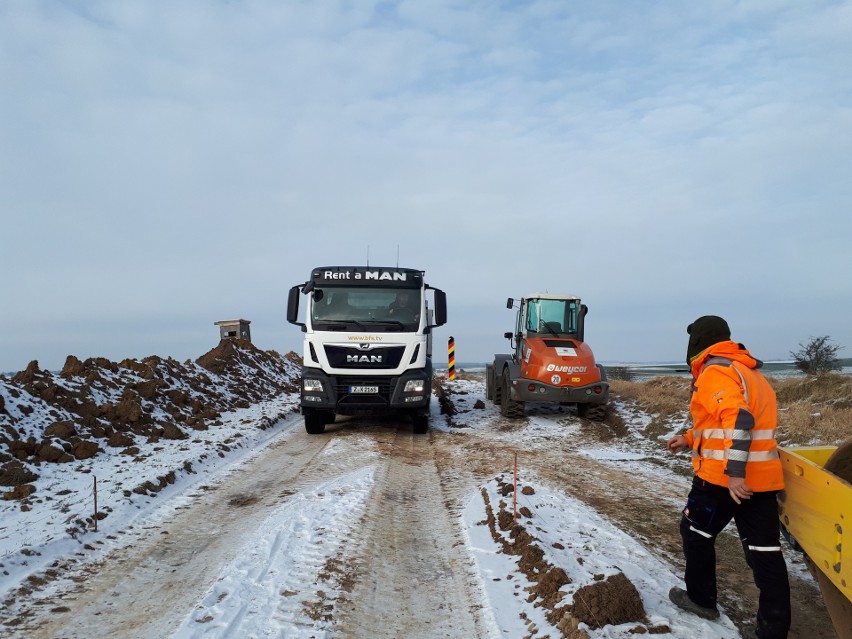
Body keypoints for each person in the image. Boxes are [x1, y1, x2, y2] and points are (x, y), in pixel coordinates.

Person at [666, 315, 790, 639]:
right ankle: (773, 631)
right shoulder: (749, 372)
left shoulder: (714, 371)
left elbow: (739, 421)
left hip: (723, 481)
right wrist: (691, 438)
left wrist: (734, 476)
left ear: (696, 345)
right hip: (761, 481)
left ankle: (701, 600)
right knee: (765, 553)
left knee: (695, 532)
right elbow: (721, 425)